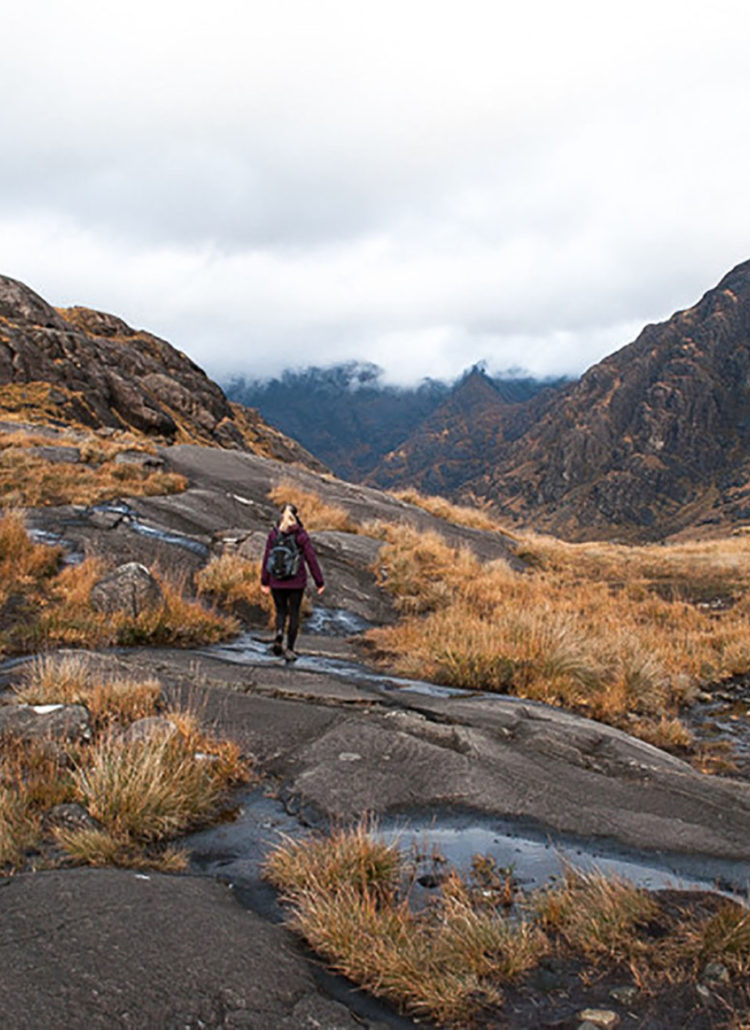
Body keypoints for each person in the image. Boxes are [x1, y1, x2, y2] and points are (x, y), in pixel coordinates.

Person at [260, 502, 325, 661]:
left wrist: (265, 581)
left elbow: (267, 558)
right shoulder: (301, 535)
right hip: (296, 582)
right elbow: (311, 559)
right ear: (296, 516)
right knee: (294, 614)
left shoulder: (274, 534)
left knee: (281, 611)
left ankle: (279, 633)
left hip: (276, 580)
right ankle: (289, 649)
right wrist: (319, 582)